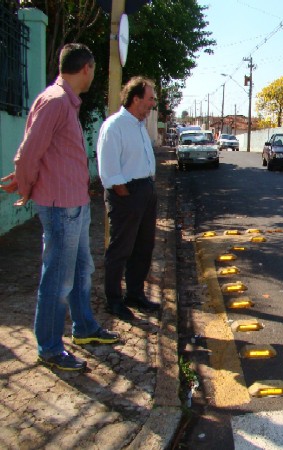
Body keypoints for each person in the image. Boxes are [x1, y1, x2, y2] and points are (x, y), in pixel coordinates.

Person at [0, 43, 119, 372]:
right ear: (86, 69)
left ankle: (84, 328)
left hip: (76, 204)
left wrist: (26, 177)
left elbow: (43, 152)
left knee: (82, 271)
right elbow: (28, 152)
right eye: (94, 70)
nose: (93, 75)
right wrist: (25, 186)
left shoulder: (65, 102)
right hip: (61, 207)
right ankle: (50, 347)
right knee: (58, 280)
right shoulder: (55, 101)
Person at [96, 76, 161, 320]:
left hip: (145, 192)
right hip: (127, 194)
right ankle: (113, 300)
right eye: (150, 99)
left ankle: (135, 294)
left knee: (143, 248)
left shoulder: (138, 125)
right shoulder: (115, 125)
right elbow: (109, 169)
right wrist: (126, 194)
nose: (153, 104)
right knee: (121, 249)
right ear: (136, 99)